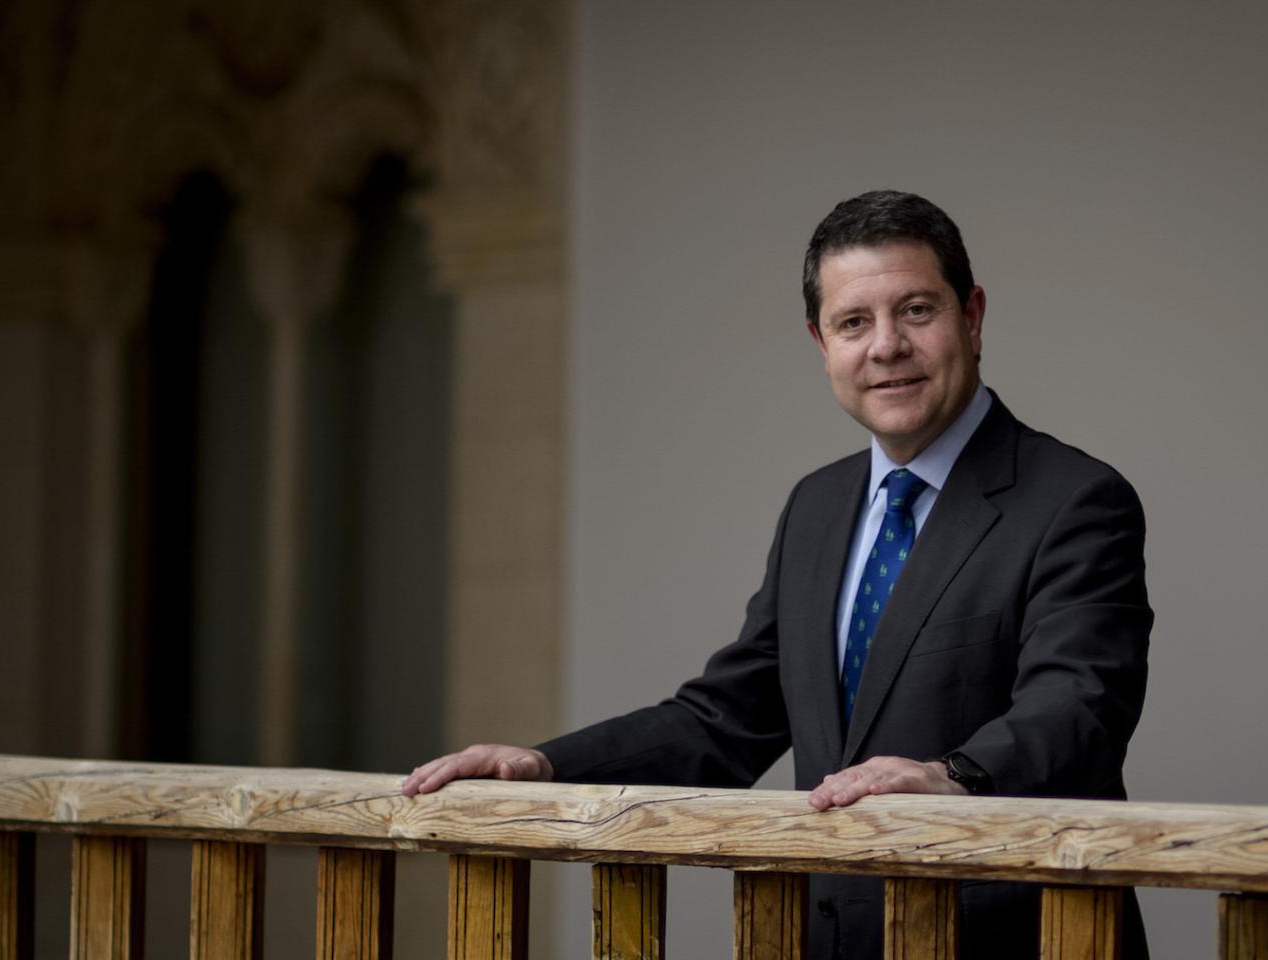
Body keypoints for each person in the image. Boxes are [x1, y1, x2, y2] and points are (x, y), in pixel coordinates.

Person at [403, 190, 1152, 959]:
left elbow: (1080, 708)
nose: (885, 345)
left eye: (917, 311)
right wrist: (547, 764)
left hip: (1010, 943)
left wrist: (951, 775)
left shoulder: (1074, 499)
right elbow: (725, 720)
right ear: (820, 344)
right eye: (853, 323)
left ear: (973, 316)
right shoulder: (817, 508)